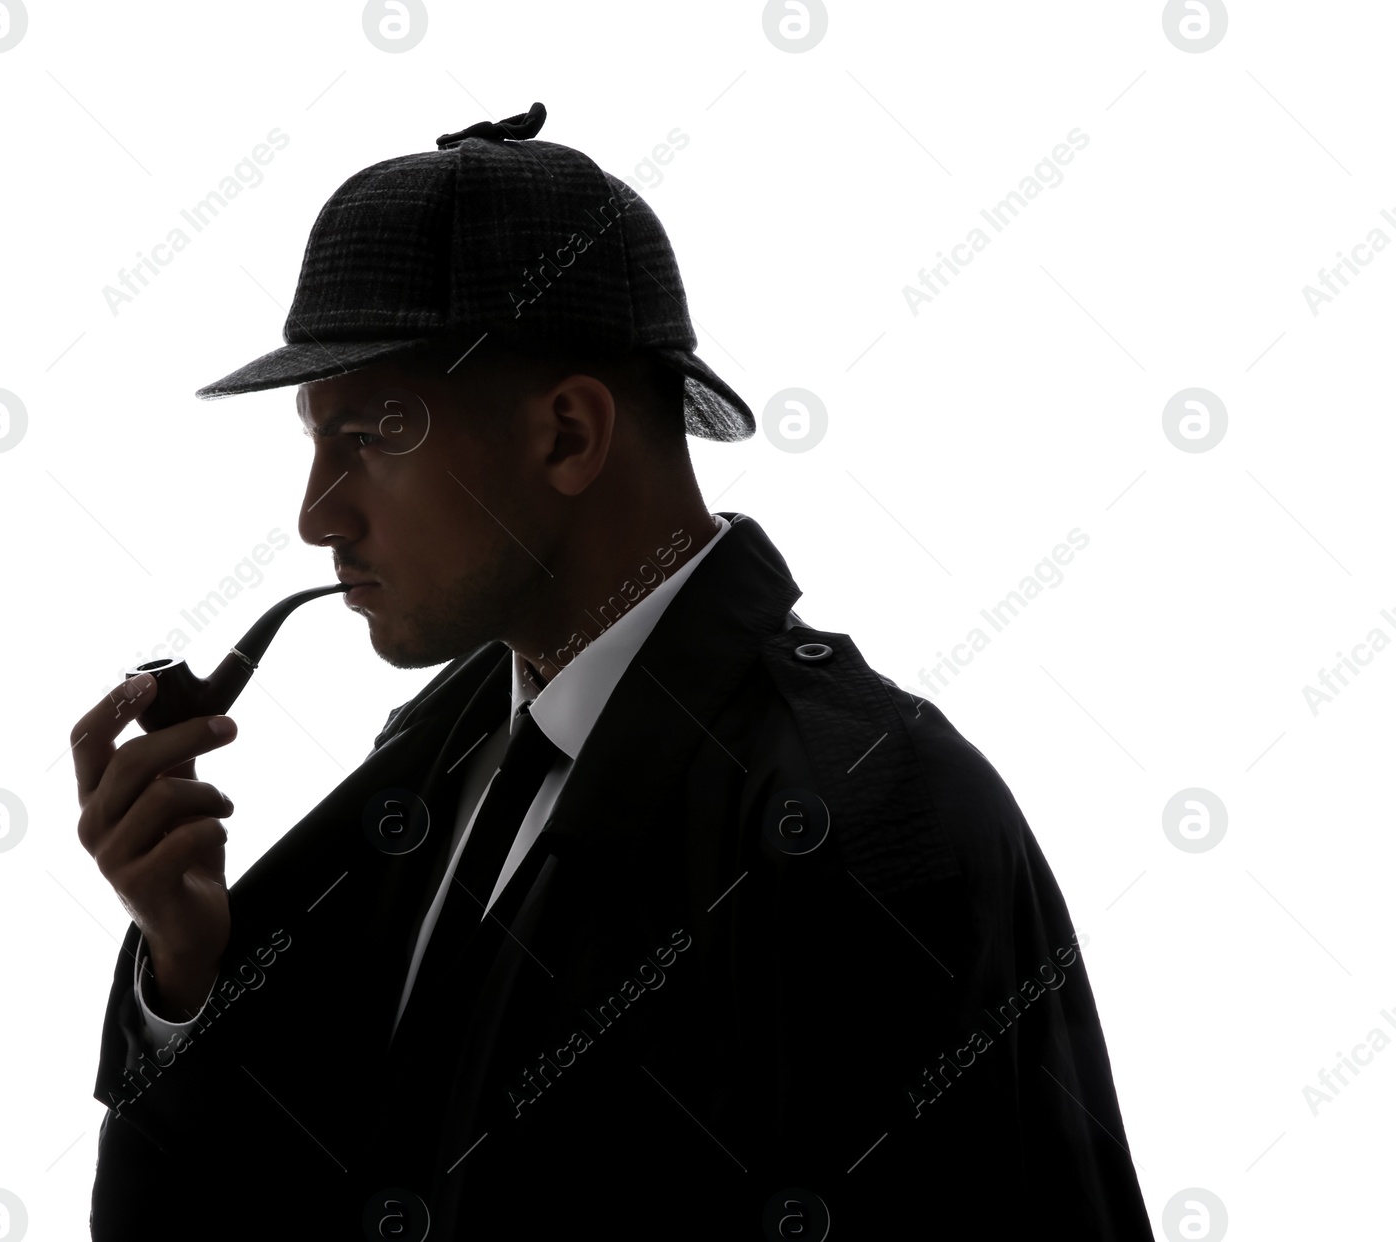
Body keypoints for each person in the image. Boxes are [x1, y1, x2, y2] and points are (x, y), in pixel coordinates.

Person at [74, 103, 1155, 1239]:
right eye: (313, 441)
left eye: (371, 438)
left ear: (569, 437)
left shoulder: (873, 817)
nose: (314, 517)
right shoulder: (440, 763)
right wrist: (191, 982)